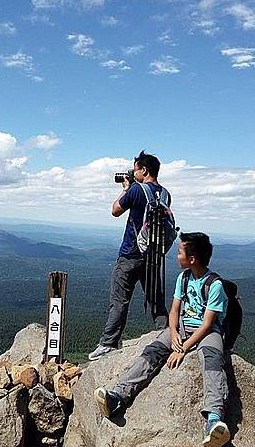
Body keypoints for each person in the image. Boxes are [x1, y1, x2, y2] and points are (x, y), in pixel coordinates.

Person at [93, 232, 231, 447]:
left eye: (180, 252)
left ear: (192, 259)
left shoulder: (215, 285)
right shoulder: (184, 278)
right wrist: (174, 333)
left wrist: (182, 348)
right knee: (153, 351)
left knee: (212, 360)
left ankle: (214, 419)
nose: (176, 256)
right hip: (182, 327)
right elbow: (175, 310)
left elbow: (206, 324)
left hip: (209, 332)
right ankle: (117, 396)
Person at [88, 151, 172, 361]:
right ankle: (167, 335)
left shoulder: (136, 190)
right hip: (153, 256)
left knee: (119, 301)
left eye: (135, 168)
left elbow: (115, 210)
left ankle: (108, 343)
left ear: (144, 170)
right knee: (156, 301)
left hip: (130, 255)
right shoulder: (165, 194)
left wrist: (125, 189)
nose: (133, 172)